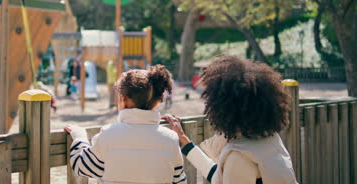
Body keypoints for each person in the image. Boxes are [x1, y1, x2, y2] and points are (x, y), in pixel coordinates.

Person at [165, 55, 298, 184]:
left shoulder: (238, 156)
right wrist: (186, 142)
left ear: (222, 108)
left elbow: (228, 172)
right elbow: (218, 175)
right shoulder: (271, 140)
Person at [65, 65, 186, 184]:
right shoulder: (170, 139)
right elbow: (179, 180)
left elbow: (82, 167)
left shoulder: (108, 134)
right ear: (156, 103)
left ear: (123, 100)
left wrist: (79, 137)